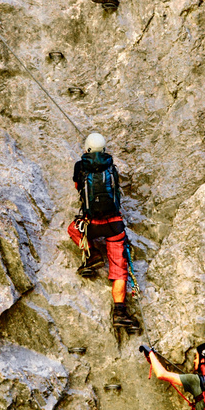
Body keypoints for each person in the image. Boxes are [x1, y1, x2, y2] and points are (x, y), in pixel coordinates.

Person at [69, 132, 140, 333]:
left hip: (91, 223)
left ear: (86, 149)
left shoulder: (79, 167)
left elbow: (78, 188)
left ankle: (93, 256)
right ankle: (119, 312)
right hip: (114, 225)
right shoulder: (111, 167)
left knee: (73, 229)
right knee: (119, 269)